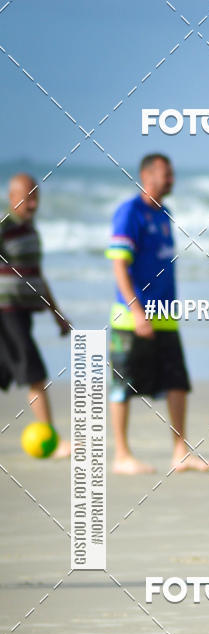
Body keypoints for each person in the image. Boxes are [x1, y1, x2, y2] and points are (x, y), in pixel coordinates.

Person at [106, 153, 209, 475]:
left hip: (165, 314)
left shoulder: (166, 213)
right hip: (131, 318)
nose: (171, 180)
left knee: (177, 382)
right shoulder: (129, 212)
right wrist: (137, 312)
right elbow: (119, 268)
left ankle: (180, 452)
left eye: (172, 174)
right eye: (166, 175)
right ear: (147, 175)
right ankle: (122, 455)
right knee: (122, 385)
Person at [0, 173, 71, 457]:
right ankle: (51, 442)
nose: (32, 204)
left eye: (36, 197)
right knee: (35, 374)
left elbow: (38, 277)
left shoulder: (31, 232)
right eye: (27, 198)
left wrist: (58, 315)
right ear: (12, 196)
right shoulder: (5, 227)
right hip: (6, 314)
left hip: (23, 313)